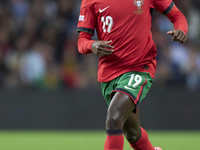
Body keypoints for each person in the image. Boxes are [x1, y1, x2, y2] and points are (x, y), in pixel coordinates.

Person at [77, 0, 188, 149]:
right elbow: (82, 41)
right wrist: (92, 45)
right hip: (108, 73)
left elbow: (177, 15)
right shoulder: (90, 1)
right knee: (132, 132)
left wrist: (181, 29)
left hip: (139, 67)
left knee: (114, 117)